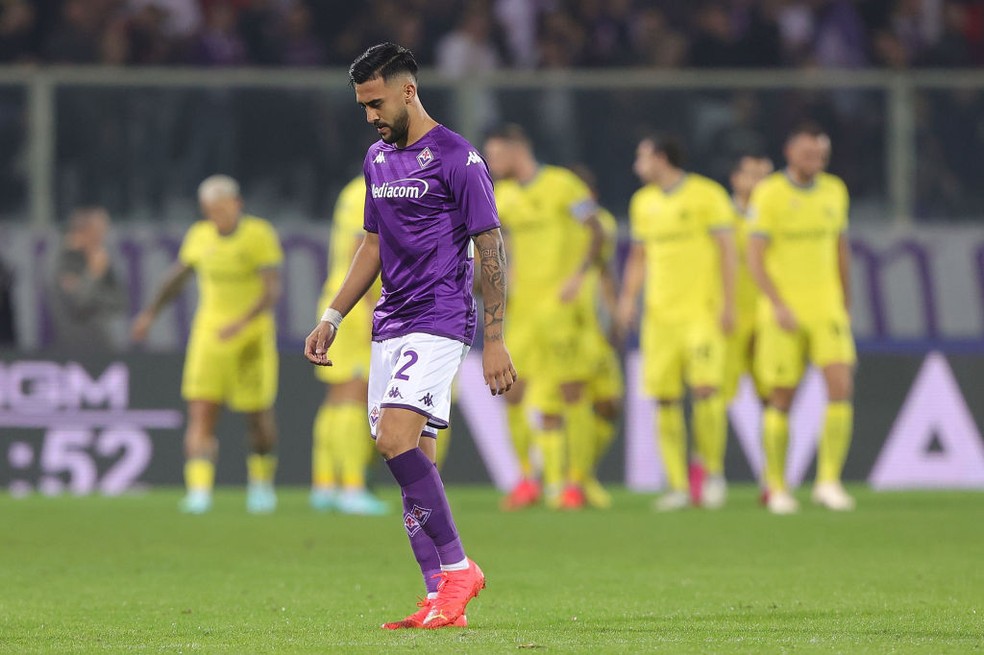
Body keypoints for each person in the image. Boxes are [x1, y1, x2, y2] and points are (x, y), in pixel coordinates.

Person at [304, 43, 515, 630]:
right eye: (363, 106)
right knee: (412, 461)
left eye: (375, 103)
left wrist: (494, 340)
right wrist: (333, 315)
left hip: (442, 316)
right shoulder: (377, 159)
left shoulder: (458, 158)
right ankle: (437, 596)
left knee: (395, 439)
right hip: (388, 322)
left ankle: (459, 570)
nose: (370, 116)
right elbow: (370, 245)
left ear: (407, 91)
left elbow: (491, 250)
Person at [131, 175, 283, 515]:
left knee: (257, 417)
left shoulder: (258, 235)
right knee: (200, 412)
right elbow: (177, 278)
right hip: (209, 337)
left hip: (251, 339)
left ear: (237, 204)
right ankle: (198, 490)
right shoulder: (199, 236)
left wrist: (242, 323)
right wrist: (150, 314)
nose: (218, 216)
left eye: (223, 208)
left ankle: (261, 487)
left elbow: (271, 290)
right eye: (211, 210)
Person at [482, 124, 605, 511]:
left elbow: (598, 232)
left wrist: (577, 277)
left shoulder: (563, 185)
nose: (492, 162)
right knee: (511, 391)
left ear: (517, 149)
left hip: (561, 309)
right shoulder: (503, 197)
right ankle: (527, 478)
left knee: (572, 392)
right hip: (524, 310)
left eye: (496, 154)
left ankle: (575, 482)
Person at [616, 135, 737, 511]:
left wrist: (729, 303)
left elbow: (728, 252)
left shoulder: (708, 195)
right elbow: (638, 257)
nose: (638, 164)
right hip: (660, 317)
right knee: (665, 398)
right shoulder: (643, 203)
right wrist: (627, 300)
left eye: (642, 156)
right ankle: (678, 486)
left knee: (706, 390)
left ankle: (713, 474)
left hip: (702, 312)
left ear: (661, 158)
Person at [747, 124, 856, 515]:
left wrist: (845, 298)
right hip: (783, 310)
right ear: (790, 152)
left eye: (821, 155)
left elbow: (840, 246)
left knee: (840, 386)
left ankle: (828, 481)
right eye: (810, 154)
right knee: (781, 397)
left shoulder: (834, 191)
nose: (817, 161)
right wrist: (776, 303)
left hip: (825, 306)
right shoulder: (770, 194)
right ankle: (777, 486)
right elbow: (755, 257)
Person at [310, 175, 387, 516]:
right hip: (358, 305)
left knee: (338, 395)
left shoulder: (352, 189)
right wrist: (373, 307)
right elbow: (362, 248)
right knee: (357, 393)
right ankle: (352, 487)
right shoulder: (372, 190)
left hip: (339, 299)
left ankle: (325, 483)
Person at [49, 207, 127, 352]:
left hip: (103, 345)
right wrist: (93, 273)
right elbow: (77, 303)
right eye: (99, 232)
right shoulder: (62, 261)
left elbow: (118, 302)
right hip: (75, 348)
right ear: (85, 231)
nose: (102, 237)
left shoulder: (98, 257)